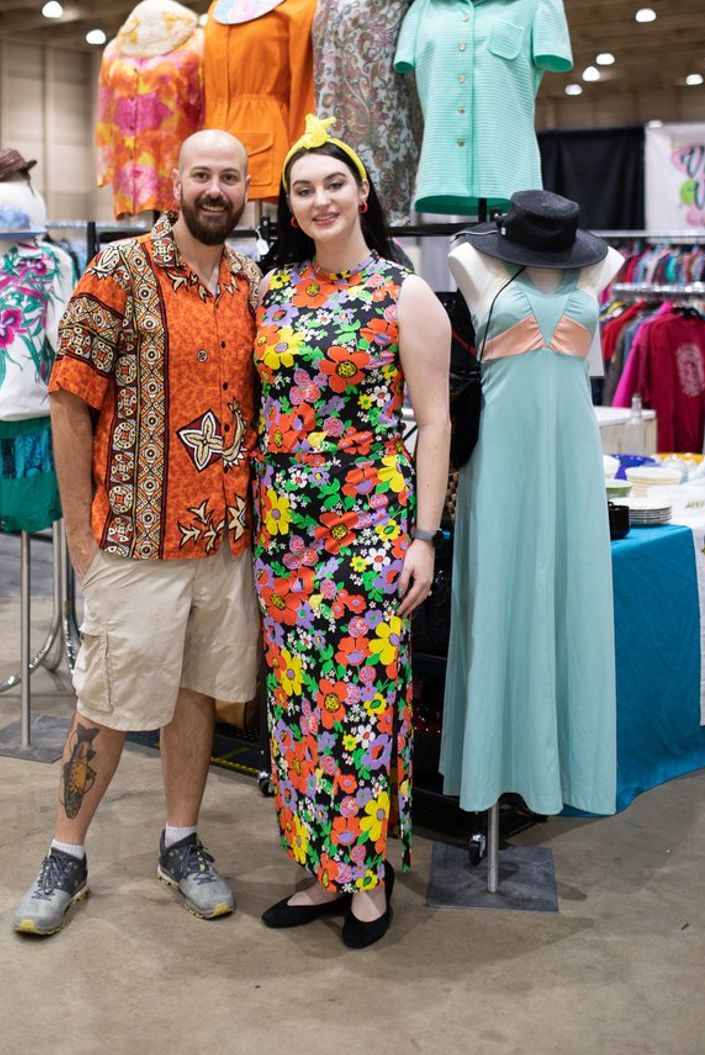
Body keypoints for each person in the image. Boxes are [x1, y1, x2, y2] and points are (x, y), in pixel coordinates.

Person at [13, 130, 262, 936]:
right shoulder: (117, 270)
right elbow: (68, 397)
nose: (215, 188)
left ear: (245, 189)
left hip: (224, 542)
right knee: (108, 704)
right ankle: (65, 851)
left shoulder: (253, 283)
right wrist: (82, 541)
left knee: (194, 695)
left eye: (230, 176)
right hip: (132, 541)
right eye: (202, 174)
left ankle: (180, 841)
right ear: (175, 182)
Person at [252, 114, 451, 948]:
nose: (320, 197)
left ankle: (367, 878)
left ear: (362, 193)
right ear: (291, 209)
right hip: (282, 535)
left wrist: (424, 537)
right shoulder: (272, 292)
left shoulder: (404, 292)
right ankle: (318, 869)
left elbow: (434, 421)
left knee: (363, 703)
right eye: (303, 189)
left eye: (334, 182)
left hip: (367, 529)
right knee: (298, 707)